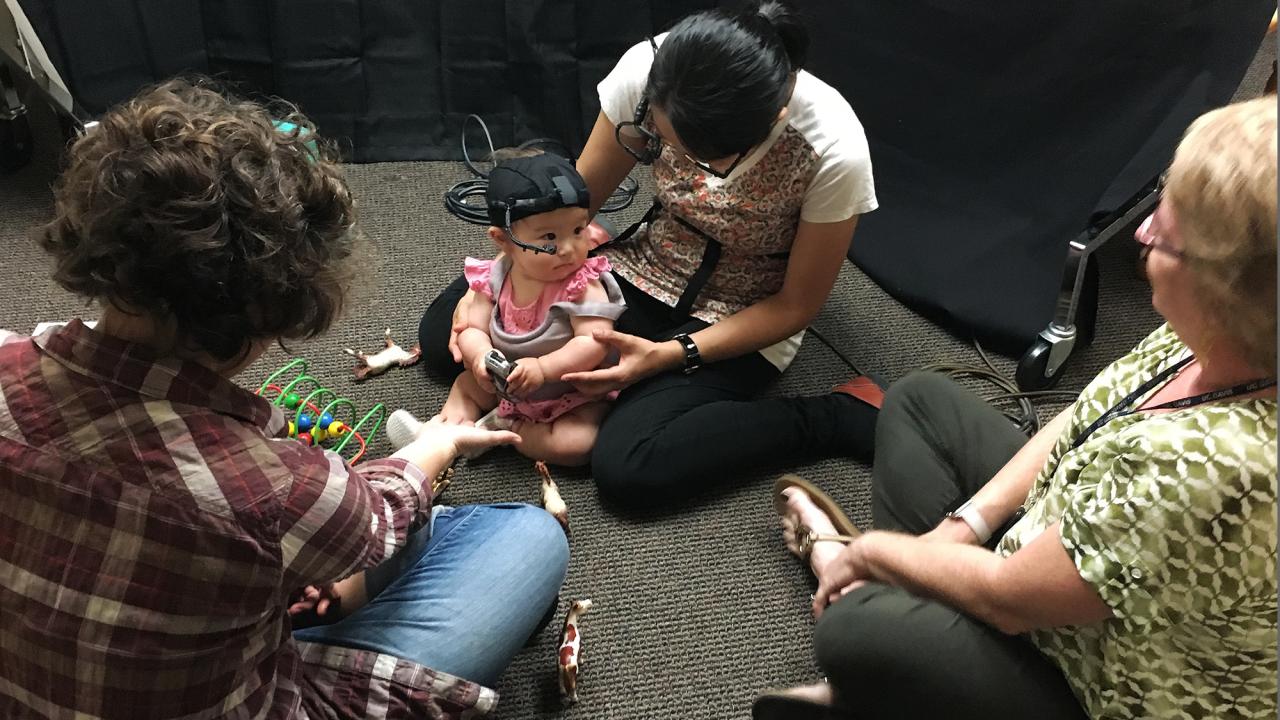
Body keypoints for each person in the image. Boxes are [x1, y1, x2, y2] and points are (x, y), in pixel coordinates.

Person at [0, 79, 569, 719]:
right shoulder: (280, 487)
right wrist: (434, 447)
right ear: (283, 306)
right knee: (526, 536)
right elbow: (376, 519)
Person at [759, 96, 1277, 720]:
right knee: (920, 401)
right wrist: (961, 530)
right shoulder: (1238, 334)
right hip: (1081, 547)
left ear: (1229, 288)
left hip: (1102, 683)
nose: (1142, 231)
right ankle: (899, 658)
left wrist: (869, 553)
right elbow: (1086, 418)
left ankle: (854, 603)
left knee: (853, 629)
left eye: (1170, 235)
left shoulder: (1217, 468)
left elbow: (1010, 597)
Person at [418, 0, 883, 507]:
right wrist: (493, 283)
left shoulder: (833, 148)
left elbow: (796, 306)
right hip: (639, 266)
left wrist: (666, 358)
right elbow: (574, 203)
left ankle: (835, 414)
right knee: (444, 336)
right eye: (663, 142)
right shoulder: (649, 71)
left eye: (702, 159)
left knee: (630, 469)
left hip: (742, 312)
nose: (677, 162)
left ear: (772, 121)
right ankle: (626, 401)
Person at [389, 152, 626, 466]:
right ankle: (438, 435)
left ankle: (505, 431)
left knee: (577, 444)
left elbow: (594, 342)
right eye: (550, 238)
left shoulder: (583, 283)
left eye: (578, 231)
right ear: (503, 241)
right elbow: (471, 327)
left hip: (571, 393)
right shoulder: (494, 277)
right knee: (466, 387)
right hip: (509, 385)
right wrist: (479, 358)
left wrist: (543, 369)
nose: (569, 249)